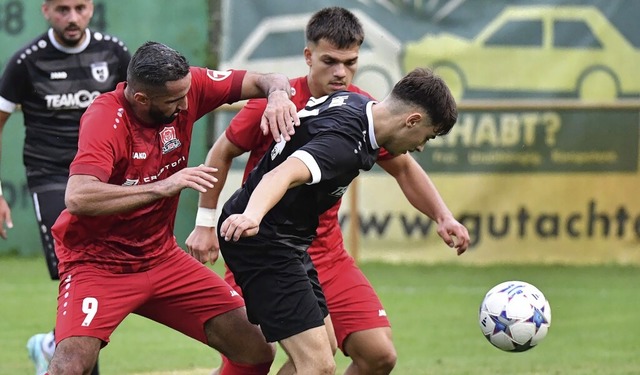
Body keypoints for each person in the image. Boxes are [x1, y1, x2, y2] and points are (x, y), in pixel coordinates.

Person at [186, 7, 466, 375]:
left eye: (349, 63)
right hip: (262, 238)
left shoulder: (361, 105)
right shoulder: (317, 126)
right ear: (308, 56)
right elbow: (275, 171)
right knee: (266, 359)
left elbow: (405, 169)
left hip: (308, 245)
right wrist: (226, 219)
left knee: (362, 355)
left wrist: (443, 216)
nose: (340, 72)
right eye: (330, 61)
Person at [45, 41, 299, 375]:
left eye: (186, 94)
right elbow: (78, 196)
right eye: (174, 101)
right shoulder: (105, 118)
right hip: (98, 265)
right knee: (70, 367)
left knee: (255, 349)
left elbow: (268, 78)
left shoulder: (188, 86)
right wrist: (163, 186)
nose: (185, 105)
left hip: (162, 259)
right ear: (141, 99)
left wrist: (278, 95)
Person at [0, 1, 130, 374]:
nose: (71, 18)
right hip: (53, 177)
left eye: (79, 8)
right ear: (45, 11)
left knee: (107, 273)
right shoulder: (27, 61)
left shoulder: (114, 52)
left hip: (105, 177)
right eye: (62, 9)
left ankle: (52, 344)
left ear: (91, 9)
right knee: (82, 270)